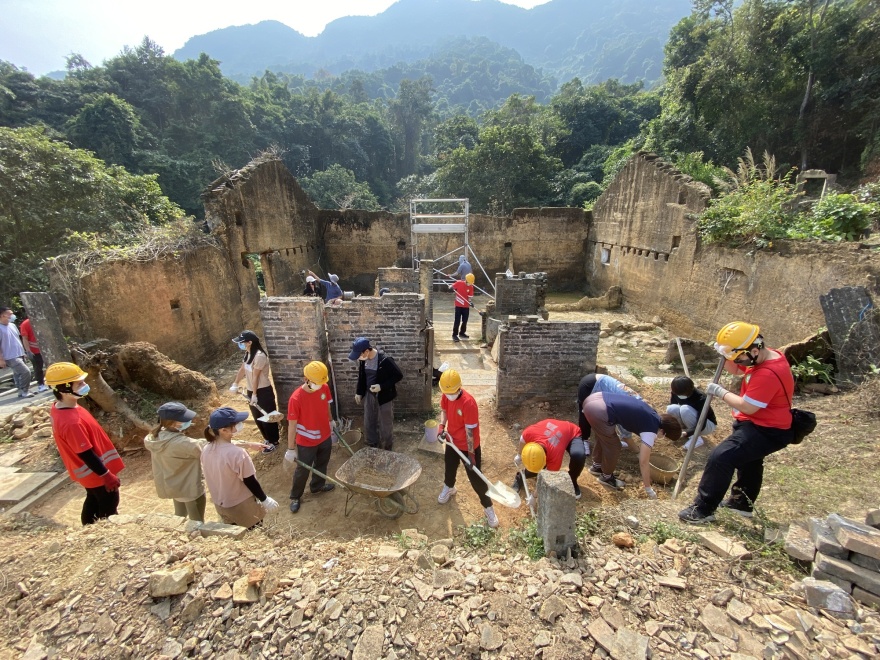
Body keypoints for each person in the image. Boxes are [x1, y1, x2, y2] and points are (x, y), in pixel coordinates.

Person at [679, 322, 795, 524]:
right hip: (757, 422)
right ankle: (741, 504)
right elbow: (737, 370)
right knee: (749, 461)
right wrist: (725, 354)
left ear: (754, 350)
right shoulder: (763, 356)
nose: (739, 361)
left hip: (767, 429)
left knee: (721, 457)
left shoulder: (768, 373)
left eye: (740, 356)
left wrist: (720, 392)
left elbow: (748, 406)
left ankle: (703, 509)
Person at [45, 362, 125, 525]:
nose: (84, 385)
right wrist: (106, 475)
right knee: (109, 506)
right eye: (79, 383)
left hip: (90, 474)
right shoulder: (71, 423)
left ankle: (88, 527)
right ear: (64, 388)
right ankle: (105, 534)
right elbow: (86, 453)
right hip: (95, 473)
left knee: (93, 500)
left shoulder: (61, 407)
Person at [582, 391, 681, 497]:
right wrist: (648, 489)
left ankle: (597, 467)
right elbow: (643, 462)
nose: (662, 438)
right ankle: (606, 477)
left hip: (596, 398)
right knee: (614, 446)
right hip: (599, 410)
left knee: (604, 437)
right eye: (665, 437)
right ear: (663, 432)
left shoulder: (653, 414)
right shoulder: (651, 431)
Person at [436, 369, 499, 528]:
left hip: (468, 446)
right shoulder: (446, 394)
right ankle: (449, 488)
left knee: (476, 478)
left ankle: (488, 507)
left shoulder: (468, 403)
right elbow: (444, 410)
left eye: (451, 392)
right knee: (449, 468)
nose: (448, 395)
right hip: (452, 441)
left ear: (459, 387)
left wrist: (471, 456)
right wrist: (441, 426)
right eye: (446, 392)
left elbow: (470, 432)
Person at [201, 407, 278, 528]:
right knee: (254, 531)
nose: (239, 424)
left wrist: (248, 444)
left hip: (221, 504)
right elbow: (250, 480)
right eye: (236, 423)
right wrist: (264, 499)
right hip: (242, 505)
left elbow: (225, 447)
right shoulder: (238, 454)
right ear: (224, 430)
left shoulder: (207, 449)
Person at [284, 361, 336, 513]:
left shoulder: (324, 387)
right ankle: (295, 496)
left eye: (321, 382)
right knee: (303, 469)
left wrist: (331, 420)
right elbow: (292, 425)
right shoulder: (296, 399)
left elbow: (327, 405)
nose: (320, 385)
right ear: (306, 379)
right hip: (306, 441)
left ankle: (317, 486)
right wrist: (290, 448)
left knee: (322, 463)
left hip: (324, 435)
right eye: (317, 382)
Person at [144, 402, 207, 522]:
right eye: (184, 419)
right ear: (173, 423)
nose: (188, 421)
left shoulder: (153, 438)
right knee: (197, 523)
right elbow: (210, 448)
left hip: (173, 486)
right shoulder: (182, 444)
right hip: (190, 489)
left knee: (179, 518)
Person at [512, 419, 588, 500]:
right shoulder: (530, 433)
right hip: (551, 428)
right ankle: (520, 476)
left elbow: (547, 477)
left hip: (572, 432)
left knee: (578, 456)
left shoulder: (555, 456)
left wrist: (534, 497)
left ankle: (572, 481)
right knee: (536, 463)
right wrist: (519, 455)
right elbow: (522, 438)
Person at [230, 330, 280, 453]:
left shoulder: (259, 356)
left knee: (267, 417)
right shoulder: (248, 353)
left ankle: (274, 441)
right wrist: (235, 383)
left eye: (242, 342)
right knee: (257, 416)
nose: (240, 344)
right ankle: (267, 439)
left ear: (250, 342)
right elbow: (243, 369)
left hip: (262, 391)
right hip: (252, 390)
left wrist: (255, 394)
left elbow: (256, 376)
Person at [349, 337, 403, 450]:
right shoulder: (363, 361)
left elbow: (398, 375)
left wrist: (381, 386)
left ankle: (387, 446)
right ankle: (372, 443)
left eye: (359, 354)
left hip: (384, 396)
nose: (358, 357)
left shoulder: (385, 360)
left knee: (385, 422)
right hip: (369, 394)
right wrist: (359, 392)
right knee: (369, 419)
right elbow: (362, 377)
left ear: (367, 351)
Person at [577, 373, 642, 443]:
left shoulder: (637, 400)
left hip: (598, 380)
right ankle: (584, 440)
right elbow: (625, 429)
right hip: (589, 386)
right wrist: (635, 449)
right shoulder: (628, 407)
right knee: (586, 413)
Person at [667, 376, 717, 450]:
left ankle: (696, 439)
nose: (679, 396)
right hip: (690, 421)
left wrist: (687, 433)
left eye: (682, 394)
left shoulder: (701, 398)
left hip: (706, 425)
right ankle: (685, 432)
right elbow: (673, 404)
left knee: (685, 409)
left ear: (689, 390)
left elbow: (702, 424)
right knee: (671, 408)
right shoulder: (676, 392)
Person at [0, 306, 33, 398]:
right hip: (9, 356)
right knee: (25, 372)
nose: (12, 315)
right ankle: (25, 391)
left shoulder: (12, 325)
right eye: (9, 314)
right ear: (2, 315)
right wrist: (1, 359)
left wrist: (23, 352)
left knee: (17, 374)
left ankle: (21, 391)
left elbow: (17, 339)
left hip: (19, 353)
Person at [19, 315, 48, 393]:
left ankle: (51, 382)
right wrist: (28, 351)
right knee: (38, 368)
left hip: (46, 349)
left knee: (50, 366)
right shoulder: (25, 324)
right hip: (34, 350)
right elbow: (25, 338)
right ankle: (41, 384)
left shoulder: (42, 320)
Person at [450, 273, 475, 342]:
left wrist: (470, 303)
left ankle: (462, 333)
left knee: (465, 321)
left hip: (466, 306)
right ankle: (454, 335)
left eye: (471, 283)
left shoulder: (471, 287)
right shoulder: (459, 283)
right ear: (466, 280)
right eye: (469, 283)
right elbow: (452, 286)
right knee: (457, 320)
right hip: (458, 305)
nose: (470, 284)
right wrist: (451, 287)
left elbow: (469, 298)